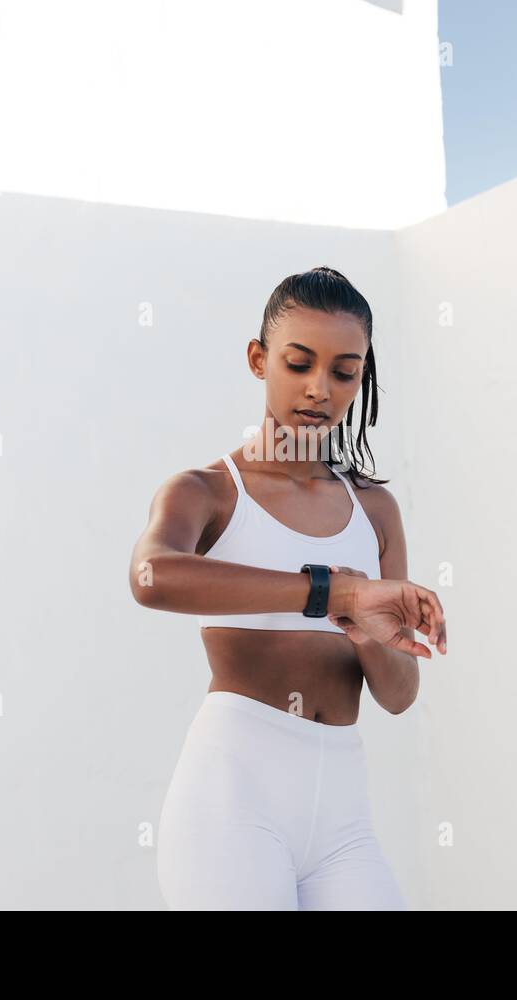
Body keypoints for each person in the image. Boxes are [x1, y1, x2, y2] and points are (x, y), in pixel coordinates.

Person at [128, 266, 447, 910]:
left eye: (343, 371)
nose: (319, 389)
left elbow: (400, 694)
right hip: (233, 801)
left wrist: (367, 633)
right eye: (299, 363)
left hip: (342, 815)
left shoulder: (374, 509)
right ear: (258, 359)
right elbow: (150, 576)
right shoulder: (208, 492)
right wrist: (335, 593)